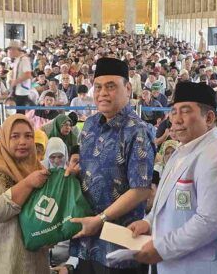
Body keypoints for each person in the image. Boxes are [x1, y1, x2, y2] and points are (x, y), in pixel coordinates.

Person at [127, 82, 217, 273]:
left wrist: (163, 248)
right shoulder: (182, 149)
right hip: (171, 263)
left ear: (209, 117)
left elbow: (210, 221)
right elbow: (164, 201)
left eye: (185, 112)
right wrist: (148, 222)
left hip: (197, 266)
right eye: (174, 111)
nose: (176, 120)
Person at [70, 58, 155, 274]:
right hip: (88, 240)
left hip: (120, 243)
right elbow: (89, 164)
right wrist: (76, 167)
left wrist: (100, 220)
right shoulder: (90, 125)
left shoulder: (137, 131)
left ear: (127, 89)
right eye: (98, 87)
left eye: (111, 86)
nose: (102, 93)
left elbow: (141, 189)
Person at [0, 114, 52, 273]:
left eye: (28, 136)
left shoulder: (37, 169)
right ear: (5, 139)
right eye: (15, 136)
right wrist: (27, 183)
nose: (23, 142)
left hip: (30, 262)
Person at [7, 41, 33, 112]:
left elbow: (28, 74)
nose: (8, 52)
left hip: (22, 91)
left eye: (9, 50)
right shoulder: (17, 59)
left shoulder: (24, 59)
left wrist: (15, 82)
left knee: (20, 111)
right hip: (17, 90)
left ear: (14, 49)